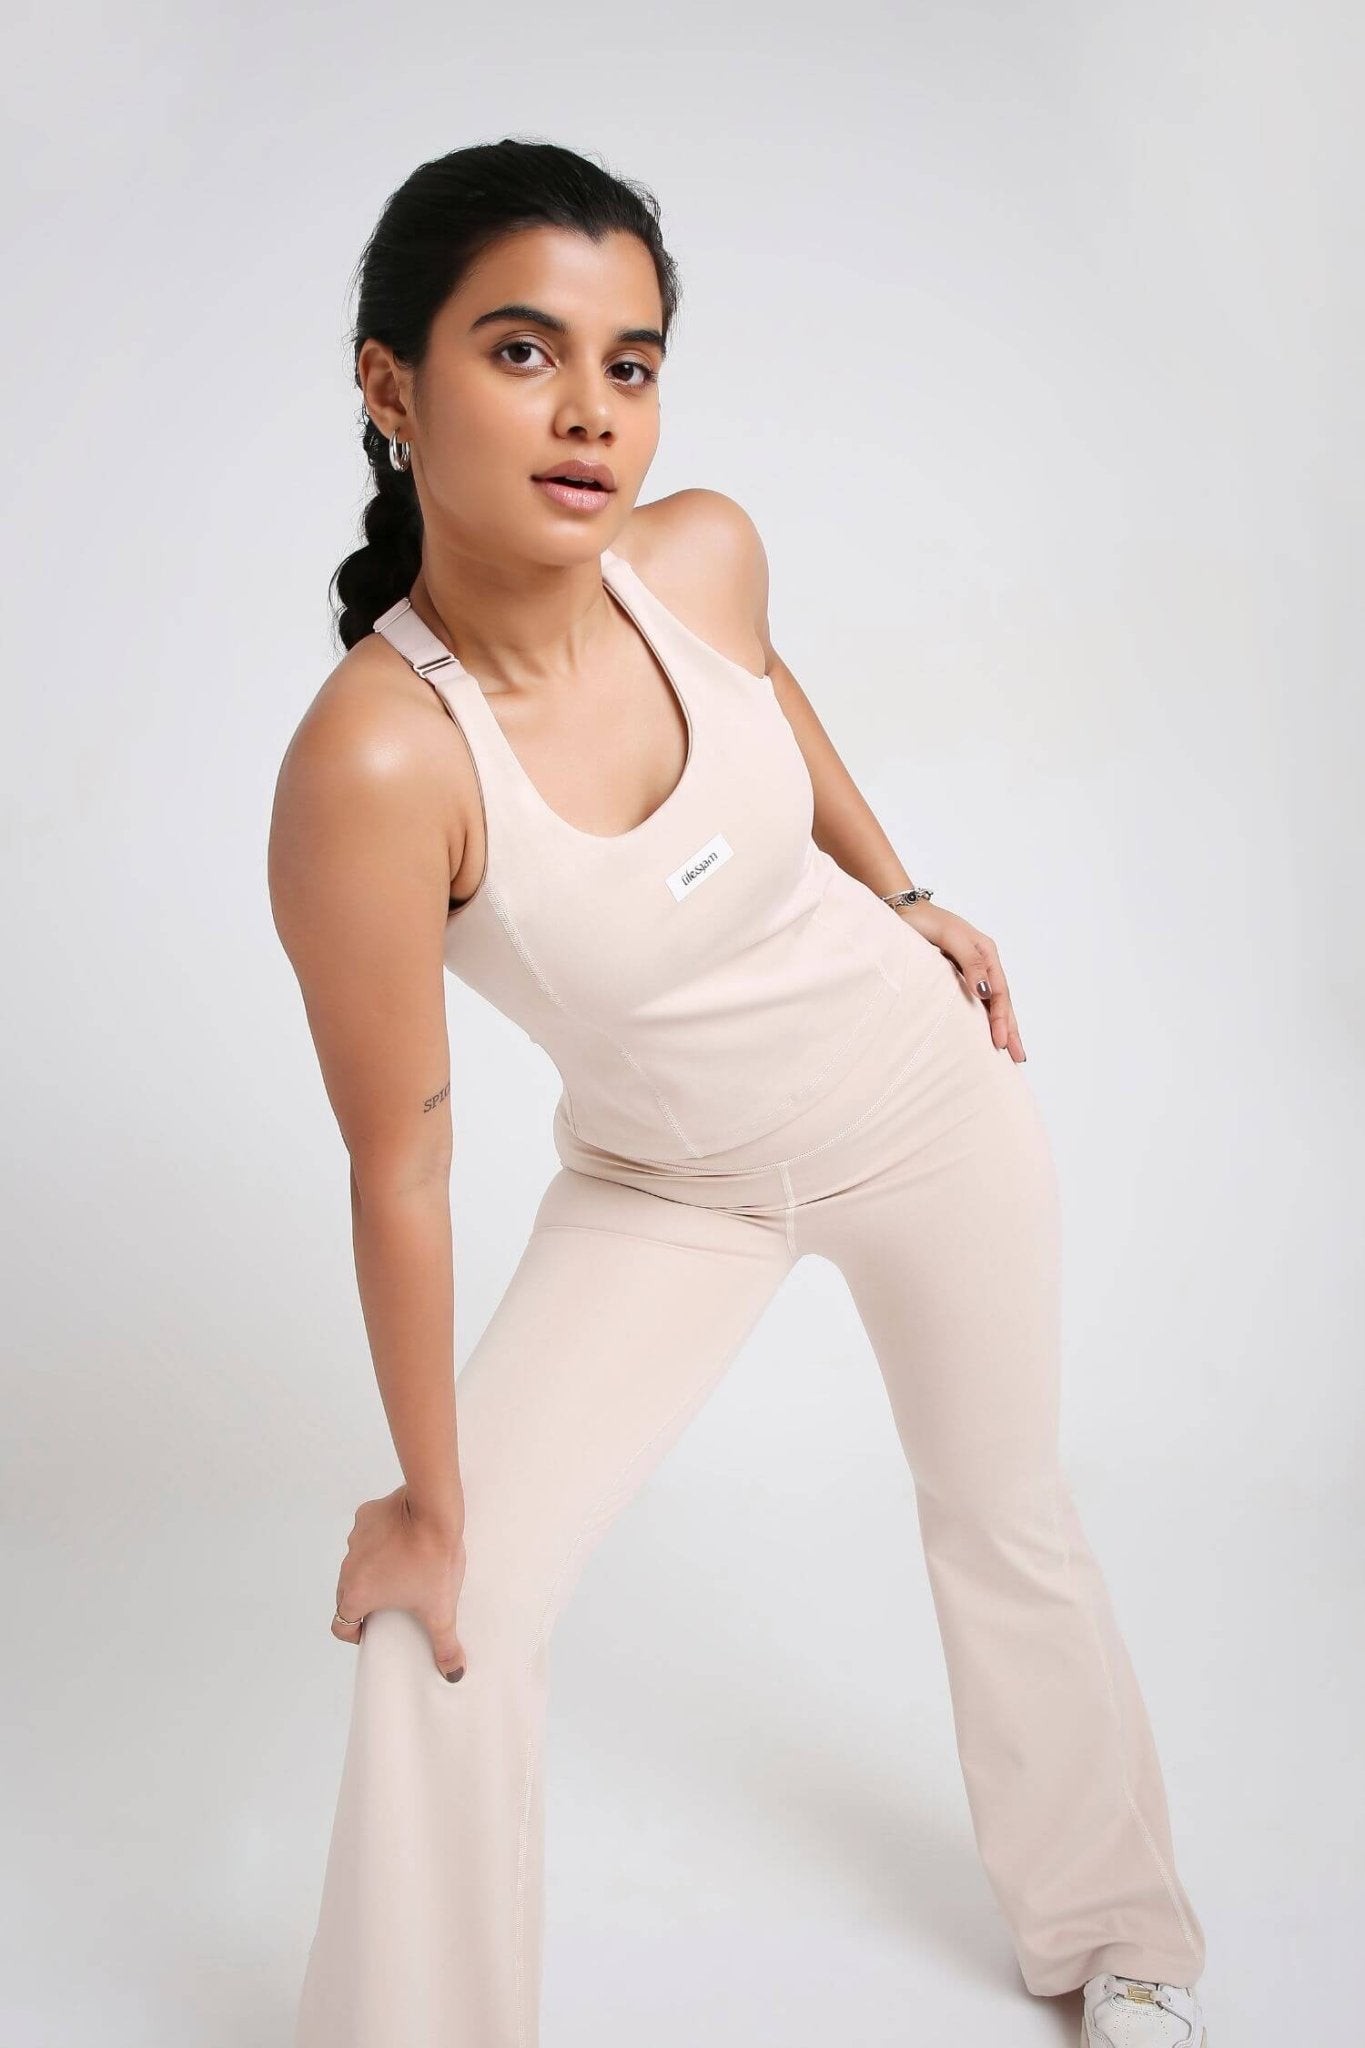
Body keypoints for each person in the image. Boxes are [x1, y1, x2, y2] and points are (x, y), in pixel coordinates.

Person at [268, 138, 1209, 2048]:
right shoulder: (379, 763)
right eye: (522, 351)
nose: (590, 413)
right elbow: (402, 1168)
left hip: (924, 1106)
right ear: (391, 384)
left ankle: (1115, 1936)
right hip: (665, 1188)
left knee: (1002, 1514)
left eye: (628, 364)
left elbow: (764, 687)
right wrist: (436, 1502)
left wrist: (906, 894)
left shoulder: (697, 554)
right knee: (439, 1618)